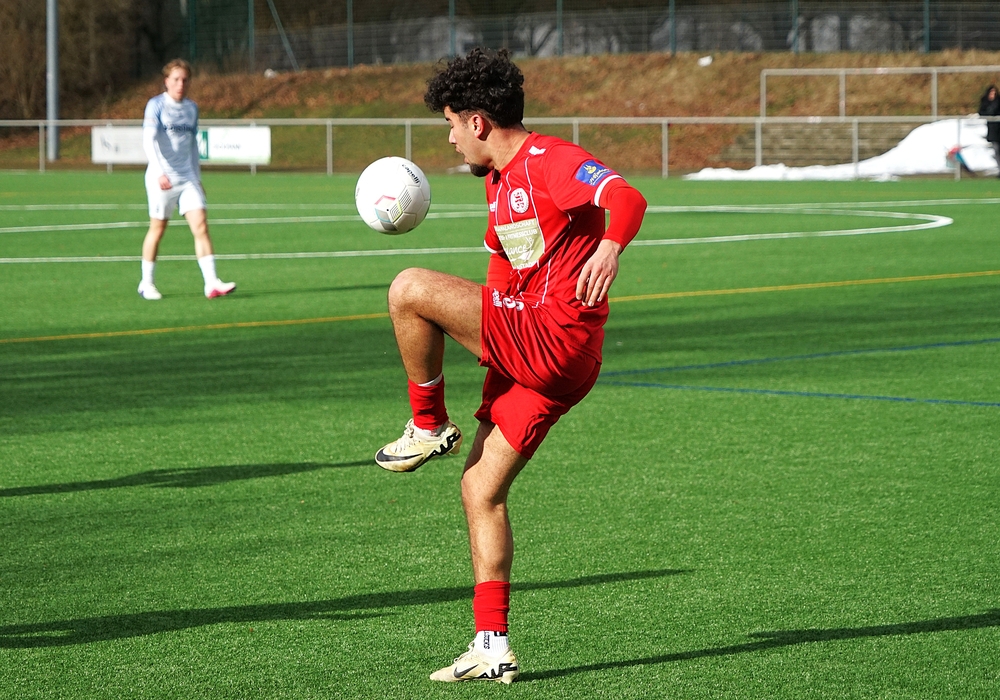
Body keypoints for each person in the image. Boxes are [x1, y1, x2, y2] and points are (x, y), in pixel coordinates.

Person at [374, 48, 647, 684]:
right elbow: (503, 271)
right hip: (536, 352)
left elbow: (626, 196)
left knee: (408, 287)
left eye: (450, 124)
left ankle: (427, 422)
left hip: (555, 335)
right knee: (479, 488)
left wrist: (610, 246)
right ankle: (491, 644)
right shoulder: (498, 184)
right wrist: (489, 351)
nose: (449, 139)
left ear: (477, 121)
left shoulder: (550, 159)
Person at [137, 59, 236, 300]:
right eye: (176, 79)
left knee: (201, 225)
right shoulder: (156, 105)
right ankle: (146, 283)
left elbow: (192, 146)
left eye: (184, 80)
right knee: (158, 229)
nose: (180, 84)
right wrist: (159, 172)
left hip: (187, 178)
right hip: (162, 178)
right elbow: (148, 140)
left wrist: (197, 177)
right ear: (166, 81)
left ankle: (211, 283)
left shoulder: (192, 108)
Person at [979, 85, 1000, 178]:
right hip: (993, 132)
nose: (993, 94)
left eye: (994, 92)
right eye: (991, 92)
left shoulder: (998, 102)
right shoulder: (985, 103)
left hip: (998, 129)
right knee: (997, 150)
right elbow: (982, 112)